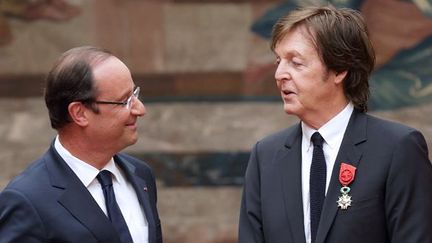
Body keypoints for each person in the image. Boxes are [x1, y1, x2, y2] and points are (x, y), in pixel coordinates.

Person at [238, 5, 432, 243]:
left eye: (295, 62)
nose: (279, 74)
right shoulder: (266, 155)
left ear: (340, 69)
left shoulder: (397, 148)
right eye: (279, 61)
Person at [0, 46, 162, 243]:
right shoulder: (27, 199)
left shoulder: (141, 175)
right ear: (79, 113)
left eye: (135, 94)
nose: (140, 109)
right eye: (124, 101)